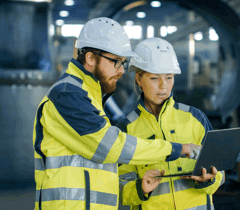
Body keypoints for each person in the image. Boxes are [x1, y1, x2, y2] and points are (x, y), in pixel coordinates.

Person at [32, 17, 198, 210]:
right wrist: (174, 149)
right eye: (116, 62)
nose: (121, 71)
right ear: (91, 58)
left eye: (123, 63)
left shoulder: (90, 97)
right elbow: (110, 146)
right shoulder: (67, 95)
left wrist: (139, 188)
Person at [117, 37, 225, 210]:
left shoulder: (195, 118)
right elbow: (120, 187)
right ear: (138, 79)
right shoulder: (126, 129)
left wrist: (209, 179)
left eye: (169, 77)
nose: (163, 86)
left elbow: (219, 170)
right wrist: (141, 188)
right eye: (154, 78)